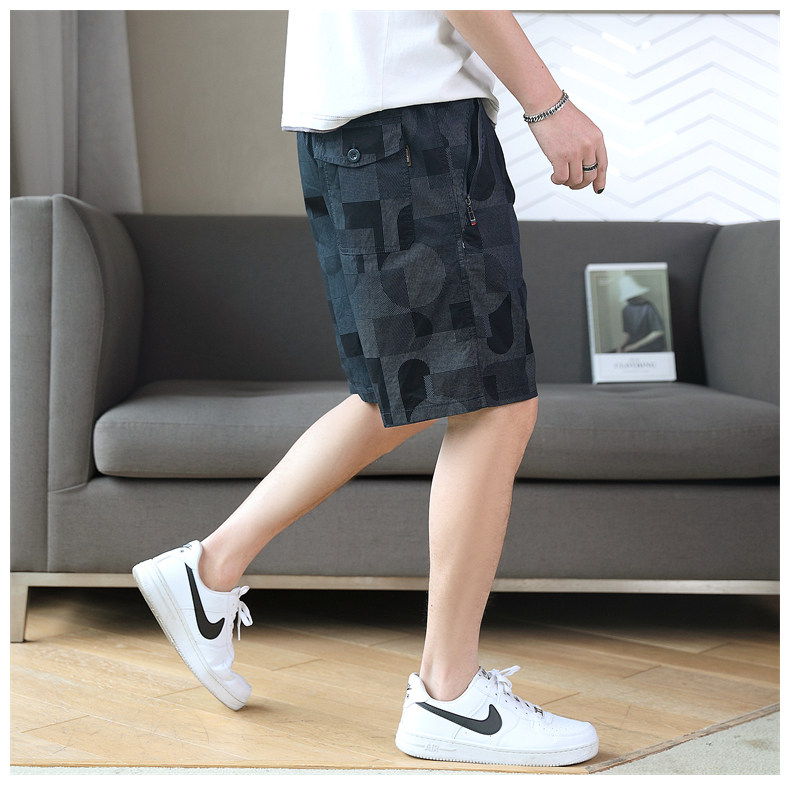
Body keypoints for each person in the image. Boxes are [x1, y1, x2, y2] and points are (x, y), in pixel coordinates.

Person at [133, 10, 607, 767]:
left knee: (401, 394)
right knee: (497, 401)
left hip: (358, 132)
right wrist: (549, 106)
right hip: (416, 129)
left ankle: (209, 570)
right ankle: (450, 695)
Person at [616, 275, 667, 353]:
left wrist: (635, 346)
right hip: (635, 347)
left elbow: (658, 331)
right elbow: (627, 332)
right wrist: (621, 345)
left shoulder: (648, 306)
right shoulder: (625, 310)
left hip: (653, 347)